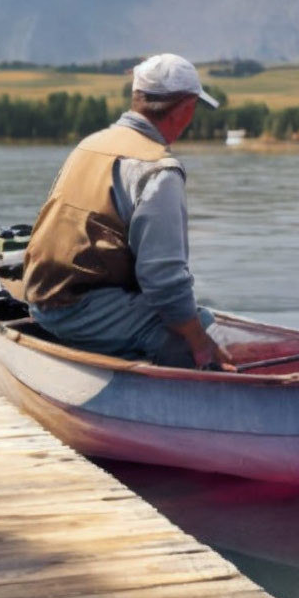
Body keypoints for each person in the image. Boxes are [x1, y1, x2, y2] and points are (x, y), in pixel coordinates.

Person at [22, 53, 234, 370]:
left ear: (137, 98)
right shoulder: (158, 170)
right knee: (195, 328)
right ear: (186, 110)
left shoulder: (92, 143)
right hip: (75, 310)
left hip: (40, 298)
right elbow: (164, 281)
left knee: (184, 318)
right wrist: (199, 342)